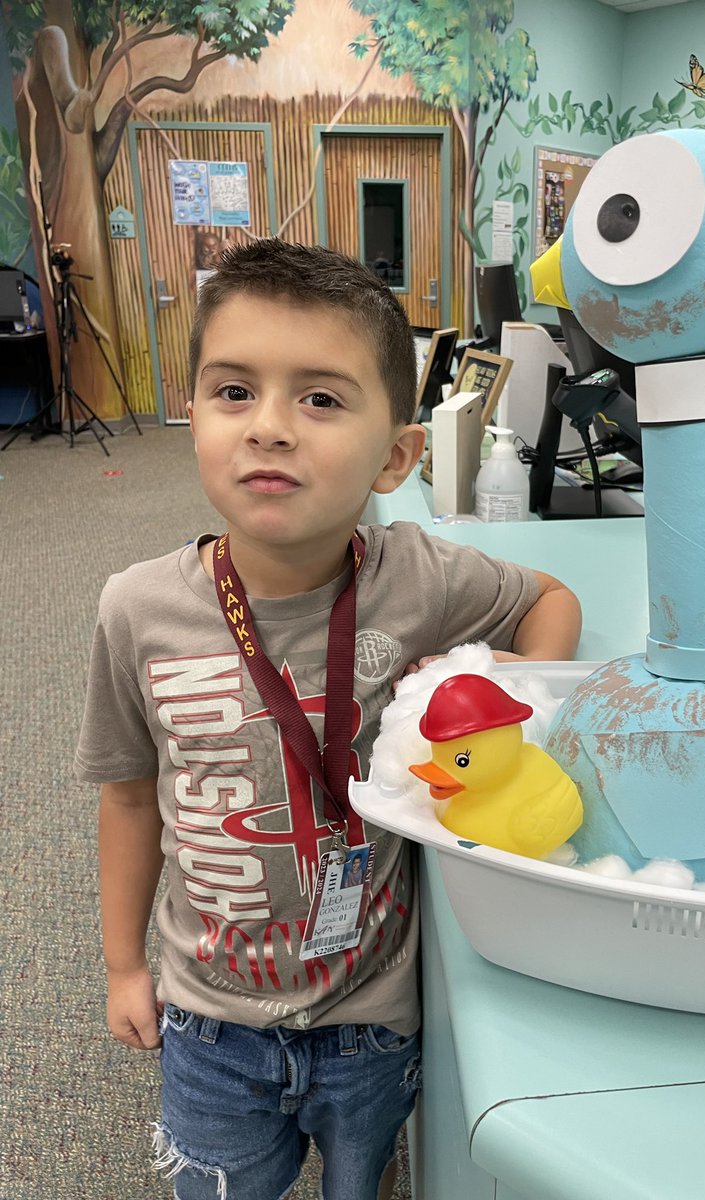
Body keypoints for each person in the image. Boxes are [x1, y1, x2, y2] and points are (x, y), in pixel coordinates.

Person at [74, 238, 582, 1200]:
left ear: (396, 456)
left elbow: (549, 599)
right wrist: (121, 965)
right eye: (233, 392)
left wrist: (518, 685)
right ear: (192, 417)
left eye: (319, 398)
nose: (268, 428)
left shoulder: (420, 576)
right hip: (210, 1021)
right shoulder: (135, 609)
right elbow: (131, 798)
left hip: (374, 1017)